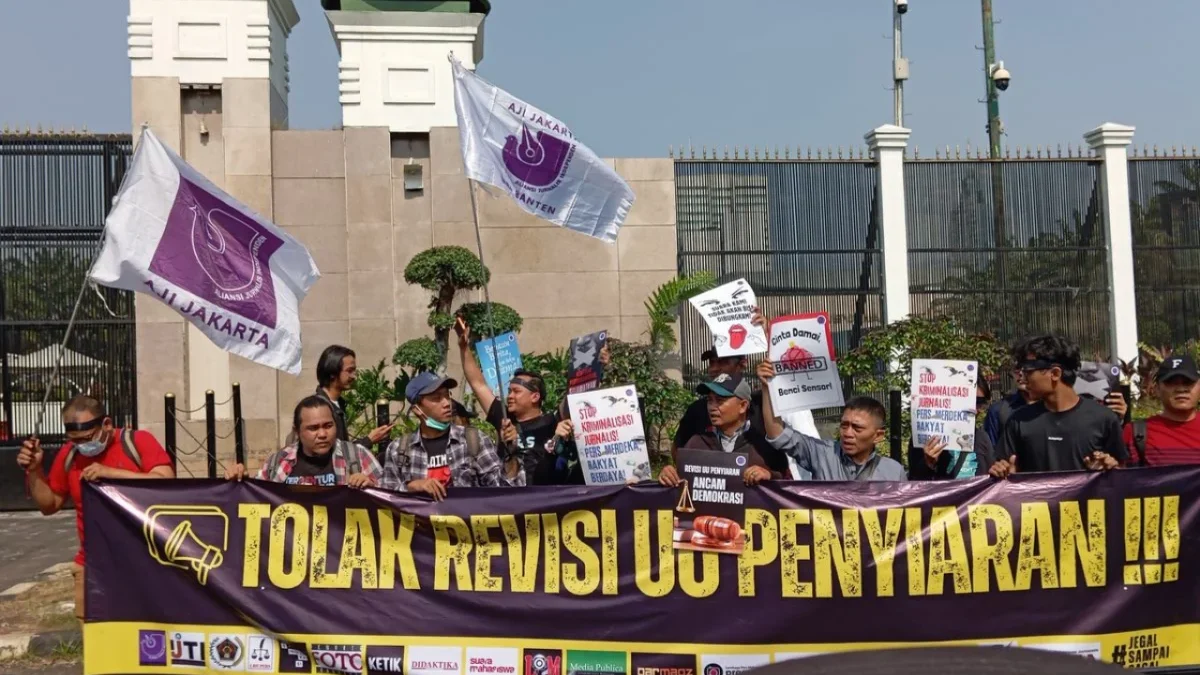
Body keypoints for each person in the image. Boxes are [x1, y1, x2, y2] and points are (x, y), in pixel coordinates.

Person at [16, 396, 174, 621]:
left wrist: (112, 474)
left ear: (107, 425)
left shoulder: (138, 442)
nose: (82, 446)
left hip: (146, 565)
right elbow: (49, 505)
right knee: (98, 647)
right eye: (75, 440)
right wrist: (34, 470)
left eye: (87, 438)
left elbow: (166, 483)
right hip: (92, 568)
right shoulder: (70, 455)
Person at [672, 308, 820, 477]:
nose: (714, 369)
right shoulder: (697, 411)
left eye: (723, 361)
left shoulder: (771, 403)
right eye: (711, 362)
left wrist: (773, 340)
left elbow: (809, 450)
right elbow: (679, 454)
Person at [455, 317, 582, 485]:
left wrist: (594, 363)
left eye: (516, 391)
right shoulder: (503, 415)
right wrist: (464, 347)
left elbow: (575, 395)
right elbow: (478, 384)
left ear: (535, 397)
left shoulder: (553, 421)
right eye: (509, 391)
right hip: (509, 495)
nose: (510, 396)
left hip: (543, 497)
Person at [989, 335, 1125, 477]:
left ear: (1055, 373)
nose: (1022, 377)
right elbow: (1002, 469)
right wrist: (1002, 472)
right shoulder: (1018, 421)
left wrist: (1109, 466)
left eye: (1028, 371)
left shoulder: (1103, 419)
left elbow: (1123, 474)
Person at [381, 372, 524, 499]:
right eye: (437, 398)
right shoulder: (398, 449)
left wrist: (510, 455)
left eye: (447, 395)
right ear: (417, 410)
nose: (446, 403)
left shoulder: (473, 440)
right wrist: (411, 487)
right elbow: (385, 499)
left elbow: (504, 491)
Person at [758, 361, 907, 481]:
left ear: (878, 435)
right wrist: (767, 387)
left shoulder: (893, 472)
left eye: (857, 428)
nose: (847, 433)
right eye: (844, 425)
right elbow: (777, 434)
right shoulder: (822, 454)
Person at [226, 396, 382, 487]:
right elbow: (257, 496)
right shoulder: (278, 461)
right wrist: (241, 481)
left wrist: (370, 485)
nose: (322, 434)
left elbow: (393, 497)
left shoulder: (357, 456)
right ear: (297, 431)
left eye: (328, 426)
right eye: (313, 428)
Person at [659, 372, 779, 488]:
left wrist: (769, 476)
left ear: (742, 406)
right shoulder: (696, 443)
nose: (712, 407)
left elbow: (789, 487)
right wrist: (669, 475)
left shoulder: (763, 445)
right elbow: (681, 482)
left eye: (720, 400)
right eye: (710, 400)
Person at [910, 380, 996, 480]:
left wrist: (1001, 473)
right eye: (970, 401)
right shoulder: (925, 438)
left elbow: (991, 479)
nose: (976, 410)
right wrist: (928, 465)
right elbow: (914, 487)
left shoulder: (981, 438)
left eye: (981, 402)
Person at [1125, 354, 1200, 466]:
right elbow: (1119, 479)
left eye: (1188, 382)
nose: (1181, 389)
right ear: (1156, 389)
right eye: (1171, 382)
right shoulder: (1135, 434)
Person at [313, 345, 394, 449]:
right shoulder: (320, 409)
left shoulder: (338, 404)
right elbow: (334, 452)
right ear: (332, 373)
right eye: (349, 370)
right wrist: (369, 440)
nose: (354, 376)